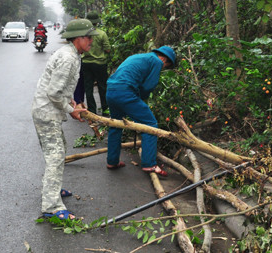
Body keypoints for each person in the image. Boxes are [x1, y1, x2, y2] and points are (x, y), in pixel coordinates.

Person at [31, 18, 99, 220]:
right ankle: (51, 207)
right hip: (47, 112)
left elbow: (62, 88)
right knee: (55, 154)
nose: (91, 41)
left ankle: (52, 189)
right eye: (88, 38)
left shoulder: (73, 55)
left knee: (59, 148)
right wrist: (71, 110)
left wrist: (75, 102)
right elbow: (53, 92)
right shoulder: (69, 58)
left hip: (47, 110)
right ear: (77, 38)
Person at [105, 46, 176, 177]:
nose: (163, 67)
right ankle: (149, 164)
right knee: (150, 124)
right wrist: (141, 100)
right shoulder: (157, 62)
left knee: (116, 125)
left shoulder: (139, 56)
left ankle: (112, 161)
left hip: (111, 90)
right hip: (125, 92)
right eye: (166, 66)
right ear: (164, 59)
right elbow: (148, 86)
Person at [82, 11, 111, 116]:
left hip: (86, 63)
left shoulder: (83, 34)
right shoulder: (102, 34)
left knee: (88, 88)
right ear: (97, 22)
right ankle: (105, 110)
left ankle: (92, 111)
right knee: (102, 87)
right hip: (100, 64)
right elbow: (107, 49)